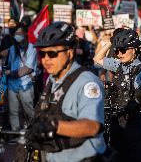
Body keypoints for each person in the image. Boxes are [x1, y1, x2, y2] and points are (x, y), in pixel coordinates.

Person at [25, 22, 105, 162]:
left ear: (69, 52)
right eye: (42, 54)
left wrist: (54, 126)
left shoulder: (87, 82)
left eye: (52, 53)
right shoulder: (52, 79)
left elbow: (92, 126)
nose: (46, 59)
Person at [94, 28, 141, 162]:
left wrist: (136, 103)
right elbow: (97, 58)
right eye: (117, 51)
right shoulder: (118, 65)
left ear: (133, 49)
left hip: (135, 124)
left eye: (123, 50)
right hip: (117, 122)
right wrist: (112, 42)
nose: (119, 54)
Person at [5, 25, 37, 131]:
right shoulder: (12, 48)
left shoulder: (32, 48)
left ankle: (32, 132)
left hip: (25, 84)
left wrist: (10, 73)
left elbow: (27, 69)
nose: (17, 36)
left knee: (28, 111)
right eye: (15, 34)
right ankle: (15, 133)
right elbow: (8, 64)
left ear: (25, 34)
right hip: (12, 85)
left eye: (19, 34)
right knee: (13, 111)